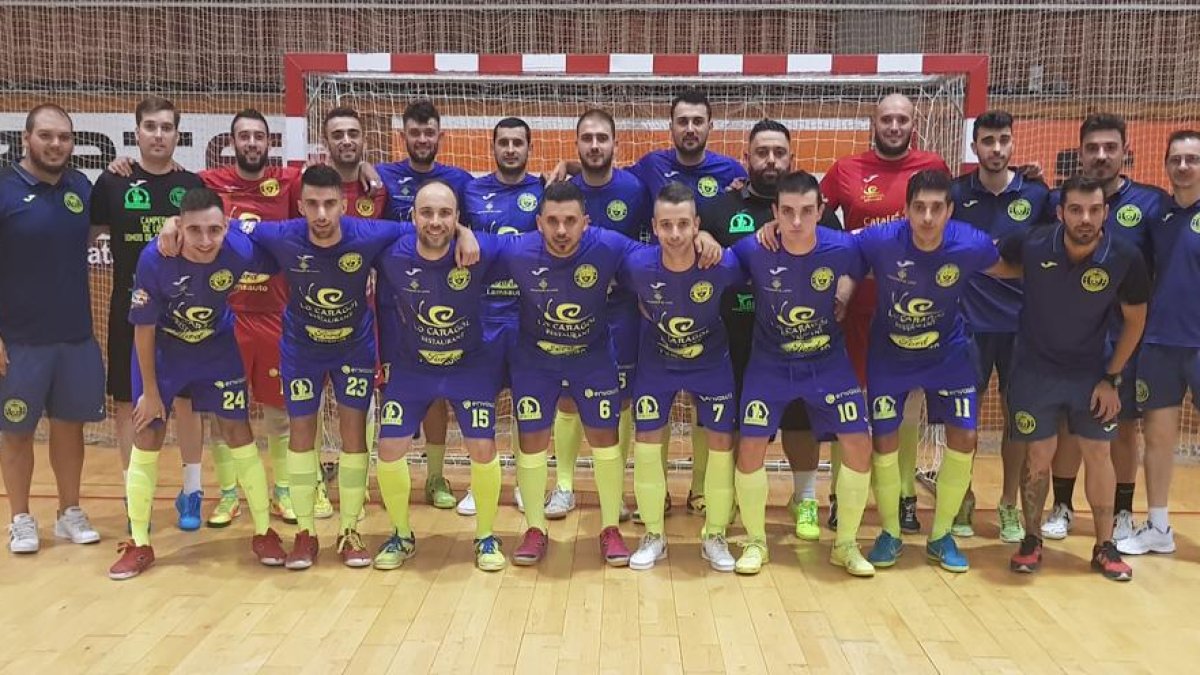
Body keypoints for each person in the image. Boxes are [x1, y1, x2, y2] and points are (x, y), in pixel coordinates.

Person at [501, 181, 721, 566]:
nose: (561, 230)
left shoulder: (609, 245)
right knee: (532, 440)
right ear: (539, 222)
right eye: (552, 221)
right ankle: (535, 528)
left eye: (570, 220)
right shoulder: (516, 249)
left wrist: (698, 235)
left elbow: (664, 254)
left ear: (586, 222)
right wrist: (465, 233)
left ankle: (609, 528)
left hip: (594, 357)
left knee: (605, 441)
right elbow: (464, 249)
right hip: (535, 360)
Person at [108, 187, 287, 579]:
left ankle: (262, 531)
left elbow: (274, 255)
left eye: (214, 230)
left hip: (217, 348)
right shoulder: (156, 258)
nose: (205, 241)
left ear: (225, 227)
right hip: (162, 352)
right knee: (148, 432)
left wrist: (227, 226)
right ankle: (139, 543)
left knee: (238, 431)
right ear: (180, 230)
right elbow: (143, 329)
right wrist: (151, 392)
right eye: (194, 230)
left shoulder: (238, 249)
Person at [700, 118, 842, 540]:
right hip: (738, 336)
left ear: (791, 157)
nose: (771, 159)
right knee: (743, 425)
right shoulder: (722, 208)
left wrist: (844, 295)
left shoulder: (815, 209)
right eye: (762, 152)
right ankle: (740, 499)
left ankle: (804, 499)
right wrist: (705, 238)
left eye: (779, 152)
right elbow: (701, 241)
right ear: (746, 158)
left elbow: (845, 259)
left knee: (801, 423)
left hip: (800, 340)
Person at [1001, 175, 1147, 582]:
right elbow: (991, 261)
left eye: (1095, 210)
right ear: (1061, 212)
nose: (1086, 218)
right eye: (1077, 210)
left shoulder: (1125, 256)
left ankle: (1105, 546)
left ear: (1105, 212)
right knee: (1039, 454)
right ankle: (1031, 539)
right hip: (1034, 371)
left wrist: (1112, 378)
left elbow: (1136, 321)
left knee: (1098, 453)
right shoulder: (1031, 244)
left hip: (1091, 375)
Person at [854, 170, 1000, 574]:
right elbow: (833, 248)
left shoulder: (971, 243)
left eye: (937, 208)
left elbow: (1015, 266)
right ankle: (889, 533)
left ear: (950, 211)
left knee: (966, 435)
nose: (928, 217)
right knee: (882, 441)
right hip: (889, 354)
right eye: (919, 208)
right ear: (906, 210)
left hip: (947, 354)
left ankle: (941, 535)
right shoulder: (880, 240)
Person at [819, 93, 950, 532]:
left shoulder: (932, 166)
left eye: (902, 119)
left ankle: (904, 496)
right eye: (886, 119)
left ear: (913, 123)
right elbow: (814, 215)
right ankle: (841, 494)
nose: (894, 126)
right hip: (857, 306)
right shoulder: (845, 170)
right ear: (872, 122)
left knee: (905, 405)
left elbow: (946, 225)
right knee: (851, 403)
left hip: (911, 307)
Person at [735, 171, 874, 577]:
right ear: (774, 211)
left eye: (806, 212)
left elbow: (868, 260)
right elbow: (712, 266)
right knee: (750, 448)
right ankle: (756, 541)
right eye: (788, 212)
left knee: (858, 445)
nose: (796, 222)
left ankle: (846, 544)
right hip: (769, 364)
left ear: (821, 211)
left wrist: (846, 290)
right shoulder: (752, 249)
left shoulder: (843, 246)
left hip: (827, 363)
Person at [1041, 114, 1169, 543]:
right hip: (1071, 335)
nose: (1101, 155)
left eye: (1109, 148)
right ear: (1079, 153)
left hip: (1124, 336)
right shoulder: (1057, 199)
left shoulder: (1151, 203)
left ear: (1124, 151)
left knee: (1121, 424)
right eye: (1092, 148)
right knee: (1068, 425)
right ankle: (1062, 506)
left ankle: (1121, 513)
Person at [373, 181, 507, 571]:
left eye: (445, 214)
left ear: (457, 218)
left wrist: (467, 235)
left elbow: (534, 244)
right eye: (427, 213)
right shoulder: (390, 251)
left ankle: (485, 537)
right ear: (412, 216)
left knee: (483, 449)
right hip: (413, 366)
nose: (435, 221)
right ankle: (401, 534)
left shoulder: (478, 249)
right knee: (389, 448)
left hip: (469, 365)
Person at [90, 96, 206, 530]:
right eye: (151, 127)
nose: (159, 135)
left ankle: (192, 492)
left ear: (178, 134)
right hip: (129, 310)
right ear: (136, 132)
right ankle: (133, 493)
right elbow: (89, 235)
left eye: (167, 128)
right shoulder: (112, 182)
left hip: (185, 313)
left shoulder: (192, 186)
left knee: (188, 402)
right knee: (129, 403)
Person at [619, 182, 742, 571]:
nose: (675, 234)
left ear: (697, 225)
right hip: (657, 361)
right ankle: (654, 533)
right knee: (647, 442)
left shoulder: (722, 264)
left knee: (721, 444)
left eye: (684, 225)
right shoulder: (637, 265)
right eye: (667, 225)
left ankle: (715, 535)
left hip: (711, 361)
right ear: (654, 227)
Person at [0, 104, 104, 554]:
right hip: (19, 342)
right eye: (46, 135)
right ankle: (21, 518)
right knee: (17, 430)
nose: (56, 144)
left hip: (75, 336)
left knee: (69, 428)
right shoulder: (4, 189)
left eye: (64, 136)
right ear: (26, 139)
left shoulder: (81, 185)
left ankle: (69, 512)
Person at [949, 110, 1051, 541]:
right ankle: (961, 499)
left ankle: (1008, 503)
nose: (996, 149)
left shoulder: (1039, 194)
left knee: (1017, 420)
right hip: (967, 324)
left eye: (1003, 140)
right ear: (974, 147)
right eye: (987, 141)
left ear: (1013, 144)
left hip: (1021, 327)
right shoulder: (956, 193)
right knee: (964, 422)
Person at [549, 108, 651, 521]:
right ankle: (565, 487)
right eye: (587, 139)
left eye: (601, 138)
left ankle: (617, 489)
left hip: (623, 311)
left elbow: (650, 244)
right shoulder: (562, 189)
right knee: (568, 397)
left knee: (622, 399)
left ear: (614, 144)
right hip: (572, 312)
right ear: (577, 145)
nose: (594, 146)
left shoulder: (635, 189)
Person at [375, 100, 474, 504]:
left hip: (440, 300)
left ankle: (435, 477)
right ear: (402, 136)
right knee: (390, 391)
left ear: (440, 136)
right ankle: (386, 475)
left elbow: (467, 225)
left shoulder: (460, 179)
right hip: (390, 302)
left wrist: (465, 232)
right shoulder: (381, 176)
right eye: (414, 133)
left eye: (428, 132)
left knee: (436, 391)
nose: (421, 139)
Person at [1117, 130, 1200, 556]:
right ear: (1166, 164)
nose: (1184, 166)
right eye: (1177, 159)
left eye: (1193, 159)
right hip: (1160, 344)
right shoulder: (1157, 215)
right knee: (1159, 438)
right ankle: (1160, 527)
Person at [458, 117, 544, 516]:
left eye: (518, 143)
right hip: (483, 315)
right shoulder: (471, 190)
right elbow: (440, 220)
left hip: (531, 316)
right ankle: (483, 484)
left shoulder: (543, 190)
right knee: (481, 403)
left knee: (530, 405)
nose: (511, 149)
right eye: (504, 143)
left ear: (529, 148)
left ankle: (527, 485)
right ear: (492, 147)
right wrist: (461, 230)